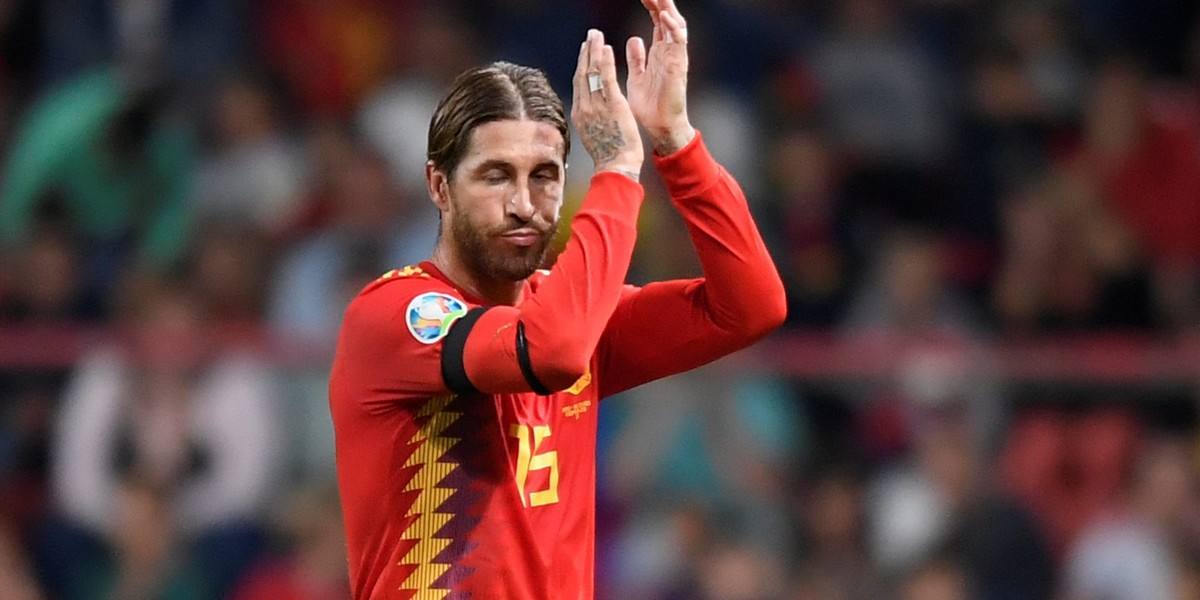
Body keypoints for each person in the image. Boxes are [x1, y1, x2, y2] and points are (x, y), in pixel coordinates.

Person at [328, 0, 787, 597]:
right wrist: (617, 172)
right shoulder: (395, 314)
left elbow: (751, 307)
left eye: (544, 175)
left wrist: (676, 143)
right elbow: (550, 353)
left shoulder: (572, 314)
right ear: (439, 186)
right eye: (496, 175)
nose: (524, 204)